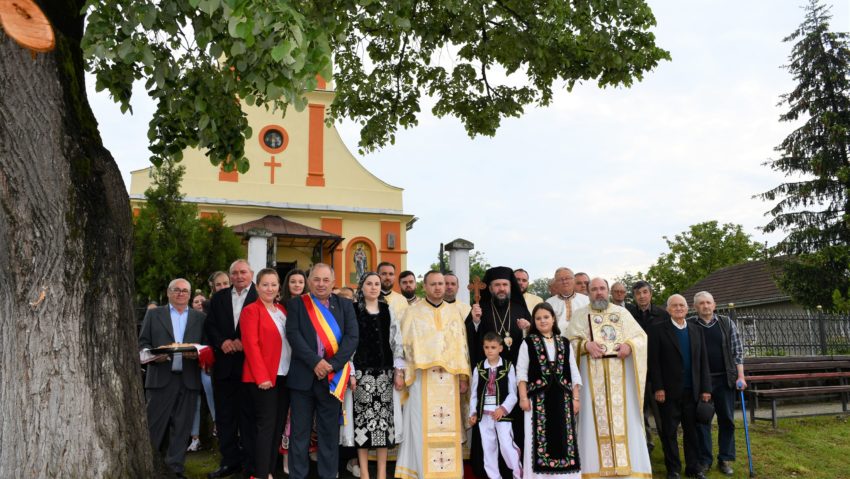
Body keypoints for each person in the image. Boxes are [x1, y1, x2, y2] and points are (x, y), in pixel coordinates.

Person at [565, 278, 651, 478]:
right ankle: (593, 470)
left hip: (621, 383)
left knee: (626, 421)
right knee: (591, 423)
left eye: (602, 288)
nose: (599, 293)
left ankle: (631, 471)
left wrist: (630, 345)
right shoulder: (580, 315)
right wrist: (585, 346)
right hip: (590, 384)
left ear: (608, 290)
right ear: (588, 292)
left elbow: (641, 337)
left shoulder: (622, 313)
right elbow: (567, 342)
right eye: (594, 289)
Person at [285, 263, 359, 479]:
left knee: (328, 434)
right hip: (303, 378)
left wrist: (332, 365)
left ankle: (328, 475)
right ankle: (298, 475)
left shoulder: (345, 305)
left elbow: (352, 338)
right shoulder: (298, 304)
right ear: (309, 281)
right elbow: (293, 335)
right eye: (316, 279)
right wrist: (315, 362)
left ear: (333, 282)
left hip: (332, 379)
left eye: (326, 280)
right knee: (299, 434)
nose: (321, 284)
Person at [395, 271, 470, 479]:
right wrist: (401, 373)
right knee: (420, 427)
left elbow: (461, 346)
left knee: (448, 427)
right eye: (434, 284)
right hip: (422, 378)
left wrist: (463, 376)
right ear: (425, 287)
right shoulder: (412, 312)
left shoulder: (454, 312)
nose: (439, 287)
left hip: (449, 379)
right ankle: (422, 473)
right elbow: (404, 346)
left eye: (441, 284)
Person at [139, 278, 206, 478]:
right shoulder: (154, 314)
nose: (181, 293)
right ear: (168, 293)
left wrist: (196, 354)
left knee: (183, 427)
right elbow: (142, 343)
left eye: (185, 291)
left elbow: (205, 347)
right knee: (154, 425)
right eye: (176, 290)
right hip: (160, 378)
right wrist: (152, 356)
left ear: (190, 294)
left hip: (189, 378)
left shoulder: (199, 318)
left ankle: (175, 468)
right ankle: (147, 466)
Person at [205, 259, 258, 478]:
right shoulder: (218, 298)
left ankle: (249, 464)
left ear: (251, 274)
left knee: (248, 419)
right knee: (225, 418)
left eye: (243, 272)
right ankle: (229, 462)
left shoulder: (260, 295)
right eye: (234, 273)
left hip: (249, 368)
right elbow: (210, 325)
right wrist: (222, 342)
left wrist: (244, 341)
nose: (238, 276)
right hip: (224, 368)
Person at [649, 295, 711, 479]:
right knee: (669, 432)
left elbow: (703, 361)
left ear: (687, 308)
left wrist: (706, 389)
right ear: (668, 309)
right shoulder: (658, 330)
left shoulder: (696, 330)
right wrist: (658, 387)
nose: (678, 308)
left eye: (681, 305)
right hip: (667, 392)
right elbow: (654, 363)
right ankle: (673, 469)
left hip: (692, 391)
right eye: (674, 306)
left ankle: (693, 467)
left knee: (692, 432)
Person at [238, 268, 292, 479]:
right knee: (265, 427)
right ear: (258, 287)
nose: (270, 288)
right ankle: (260, 473)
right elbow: (251, 346)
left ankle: (268, 470)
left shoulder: (282, 311)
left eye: (273, 284)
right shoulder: (251, 310)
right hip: (263, 378)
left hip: (284, 375)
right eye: (265, 284)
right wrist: (262, 377)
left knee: (277, 427)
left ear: (279, 286)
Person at [517, 303, 581, 479]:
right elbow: (521, 372)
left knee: (564, 440)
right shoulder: (528, 342)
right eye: (538, 318)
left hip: (563, 398)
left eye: (546, 317)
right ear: (534, 321)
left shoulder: (564, 342)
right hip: (537, 400)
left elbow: (573, 371)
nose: (542, 321)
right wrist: (523, 397)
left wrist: (576, 398)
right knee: (538, 443)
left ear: (553, 318)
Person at [351, 272, 404, 479]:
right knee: (362, 425)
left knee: (383, 426)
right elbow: (350, 342)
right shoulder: (354, 310)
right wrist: (351, 372)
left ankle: (381, 473)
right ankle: (364, 472)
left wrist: (398, 371)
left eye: (377, 284)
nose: (373, 287)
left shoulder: (387, 310)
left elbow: (396, 342)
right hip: (362, 374)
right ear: (362, 287)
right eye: (369, 283)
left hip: (384, 375)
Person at [689, 291, 746, 477]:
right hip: (701, 382)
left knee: (727, 420)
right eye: (701, 303)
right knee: (702, 421)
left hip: (724, 379)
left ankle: (725, 458)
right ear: (695, 307)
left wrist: (741, 376)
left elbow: (737, 351)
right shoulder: (690, 325)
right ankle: (705, 460)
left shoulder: (726, 323)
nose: (705, 306)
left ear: (714, 305)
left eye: (708, 303)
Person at [469, 332, 522, 479]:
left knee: (506, 446)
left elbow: (513, 393)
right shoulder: (479, 368)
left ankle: (518, 474)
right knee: (488, 449)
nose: (489, 350)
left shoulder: (508, 367)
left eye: (493, 347)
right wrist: (472, 413)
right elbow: (474, 394)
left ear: (500, 348)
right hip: (484, 415)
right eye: (486, 347)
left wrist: (503, 409)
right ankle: (494, 477)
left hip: (501, 415)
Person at [625, 280, 670, 453]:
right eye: (638, 293)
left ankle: (667, 449)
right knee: (639, 414)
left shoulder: (662, 314)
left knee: (661, 415)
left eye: (645, 292)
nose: (642, 296)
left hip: (657, 372)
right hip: (635, 370)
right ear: (634, 296)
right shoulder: (627, 315)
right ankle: (645, 448)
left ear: (650, 294)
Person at [187, 292, 212, 453]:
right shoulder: (189, 321)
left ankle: (217, 428)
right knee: (194, 402)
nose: (199, 303)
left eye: (202, 301)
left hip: (207, 367)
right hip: (190, 366)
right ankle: (194, 438)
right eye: (195, 301)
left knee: (212, 396)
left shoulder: (211, 320)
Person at [546, 267, 589, 333]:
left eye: (567, 278)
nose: (564, 282)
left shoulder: (586, 300)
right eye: (560, 279)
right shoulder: (549, 303)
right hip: (558, 340)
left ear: (574, 280)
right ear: (556, 283)